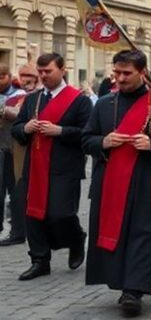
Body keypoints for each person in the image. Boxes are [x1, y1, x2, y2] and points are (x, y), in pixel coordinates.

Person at [82, 50, 151, 316]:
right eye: (116, 72)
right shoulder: (104, 103)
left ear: (142, 73)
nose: (119, 78)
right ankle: (122, 284)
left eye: (126, 73)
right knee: (116, 234)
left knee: (144, 236)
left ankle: (134, 291)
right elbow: (86, 139)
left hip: (147, 180)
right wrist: (104, 141)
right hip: (110, 182)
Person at [10, 53, 91, 279]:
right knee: (33, 214)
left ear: (62, 70)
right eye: (41, 72)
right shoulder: (33, 99)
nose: (43, 76)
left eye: (49, 71)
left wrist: (62, 131)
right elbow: (16, 128)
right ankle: (39, 259)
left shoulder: (79, 100)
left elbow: (88, 133)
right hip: (34, 166)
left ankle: (76, 239)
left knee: (60, 214)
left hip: (64, 168)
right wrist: (25, 128)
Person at [0, 63, 26, 246]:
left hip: (12, 149)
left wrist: (3, 110)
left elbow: (20, 116)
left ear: (9, 76)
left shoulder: (20, 95)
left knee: (16, 191)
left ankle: (18, 231)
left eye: (1, 76)